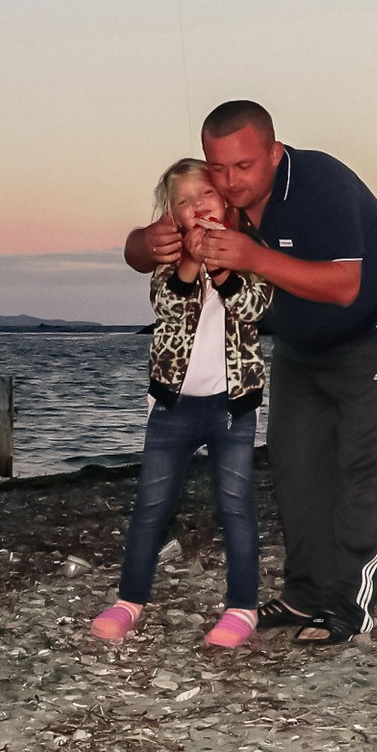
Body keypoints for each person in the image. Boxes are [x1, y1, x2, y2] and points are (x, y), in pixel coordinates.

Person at [124, 101, 377, 646]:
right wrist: (146, 243)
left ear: (274, 153)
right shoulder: (219, 205)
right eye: (218, 169)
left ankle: (350, 607)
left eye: (244, 166)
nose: (230, 182)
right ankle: (304, 593)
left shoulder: (321, 183)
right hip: (298, 346)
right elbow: (143, 252)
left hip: (375, 332)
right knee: (295, 466)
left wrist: (252, 257)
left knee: (366, 469)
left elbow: (344, 286)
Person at [93, 158, 273, 650]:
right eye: (185, 202)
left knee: (235, 504)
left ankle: (242, 607)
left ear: (226, 202)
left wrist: (222, 267)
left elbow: (255, 307)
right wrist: (191, 263)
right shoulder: (168, 266)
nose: (199, 206)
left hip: (233, 407)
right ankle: (130, 600)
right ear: (173, 217)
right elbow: (167, 307)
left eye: (206, 194)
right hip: (171, 407)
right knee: (151, 505)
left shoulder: (249, 254)